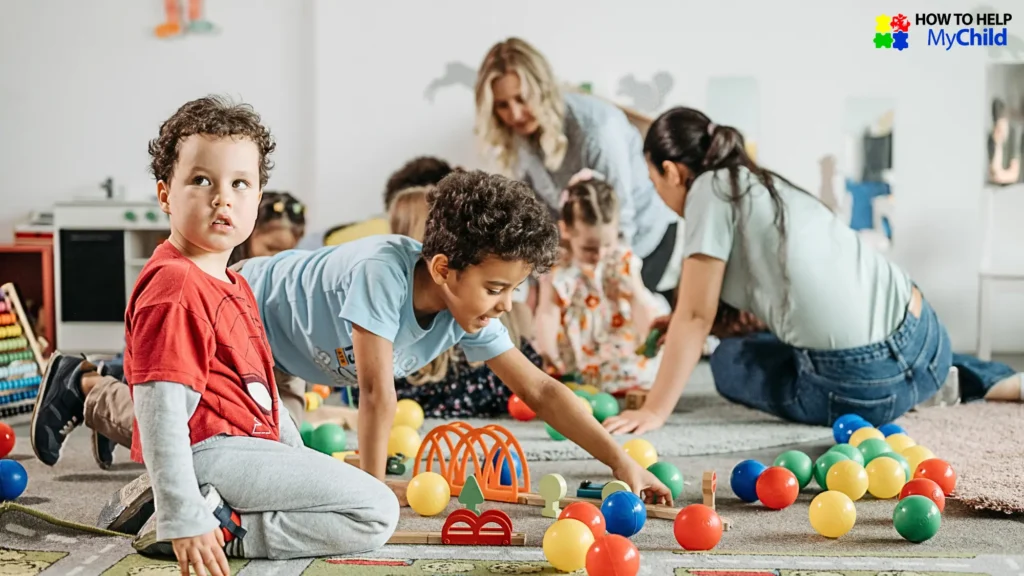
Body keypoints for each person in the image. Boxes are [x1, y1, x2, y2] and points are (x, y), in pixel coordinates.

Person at [603, 106, 1024, 435]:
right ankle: (972, 383)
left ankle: (907, 394)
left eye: (653, 180)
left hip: (865, 385)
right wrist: (680, 323)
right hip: (930, 341)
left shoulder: (706, 194)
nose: (656, 194)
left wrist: (657, 409)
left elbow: (697, 317)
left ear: (673, 171)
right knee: (807, 338)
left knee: (731, 360)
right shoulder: (763, 183)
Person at [132, 96, 401, 571]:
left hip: (242, 447)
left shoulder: (233, 281)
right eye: (201, 181)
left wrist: (296, 458)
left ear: (257, 198)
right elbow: (160, 409)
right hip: (210, 451)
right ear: (164, 194)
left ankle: (215, 511)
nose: (222, 197)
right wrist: (181, 516)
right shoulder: (176, 285)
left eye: (240, 183)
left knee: (354, 497)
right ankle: (219, 528)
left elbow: (261, 393)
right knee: (376, 511)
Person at [31, 190, 309, 471]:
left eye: (290, 251)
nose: (282, 258)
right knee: (200, 437)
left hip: (234, 379)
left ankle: (117, 385)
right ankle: (83, 384)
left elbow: (282, 385)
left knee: (269, 443)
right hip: (189, 382)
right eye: (273, 248)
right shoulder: (228, 280)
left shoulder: (278, 284)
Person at [474, 38, 682, 300]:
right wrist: (537, 283)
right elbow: (538, 219)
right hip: (584, 243)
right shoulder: (516, 137)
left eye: (522, 99)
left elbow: (621, 221)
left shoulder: (597, 130)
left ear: (543, 90)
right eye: (503, 105)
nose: (514, 114)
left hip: (641, 236)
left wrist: (615, 281)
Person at [347, 185, 544, 418]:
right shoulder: (388, 277)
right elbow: (376, 393)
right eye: (495, 289)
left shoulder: (463, 293)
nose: (507, 304)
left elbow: (540, 389)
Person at [532, 170, 668, 394]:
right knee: (549, 373)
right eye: (589, 248)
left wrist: (647, 340)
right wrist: (549, 353)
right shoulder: (558, 267)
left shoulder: (621, 260)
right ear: (565, 230)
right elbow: (547, 312)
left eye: (607, 244)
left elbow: (639, 301)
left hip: (614, 341)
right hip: (575, 347)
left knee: (638, 370)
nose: (600, 254)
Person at [987, 98, 1020, 185]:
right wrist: (998, 145)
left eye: (1003, 127)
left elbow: (1014, 175)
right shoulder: (993, 137)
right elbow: (993, 172)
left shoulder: (1014, 134)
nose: (1001, 132)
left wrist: (1000, 176)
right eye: (998, 128)